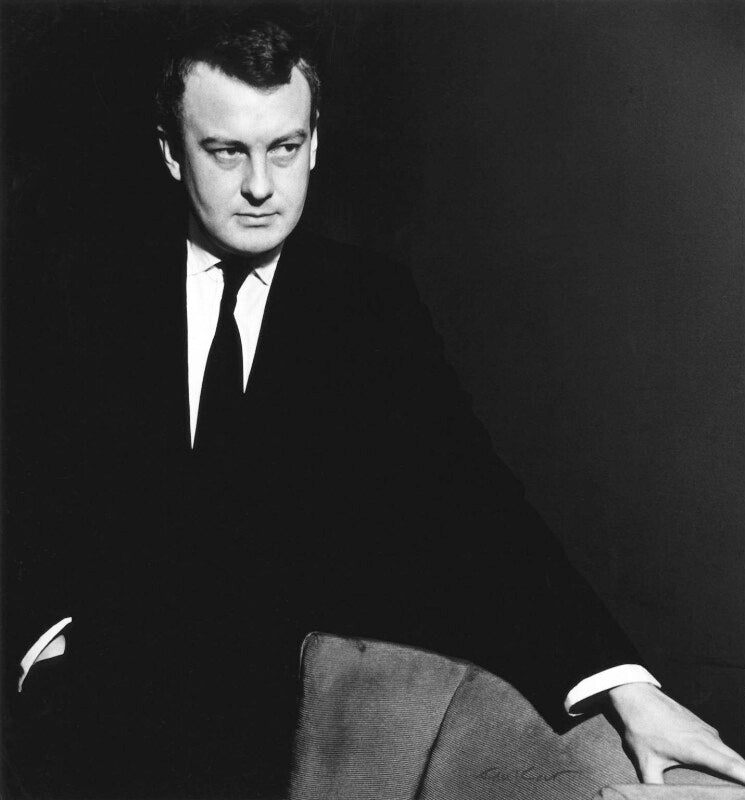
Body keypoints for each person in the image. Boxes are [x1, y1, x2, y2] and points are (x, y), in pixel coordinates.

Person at [3, 15, 745, 800]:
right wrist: (41, 644)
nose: (260, 186)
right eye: (226, 151)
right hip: (84, 723)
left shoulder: (369, 306)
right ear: (170, 151)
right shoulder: (75, 287)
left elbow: (479, 507)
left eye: (284, 147)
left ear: (314, 144)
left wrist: (623, 684)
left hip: (288, 735)